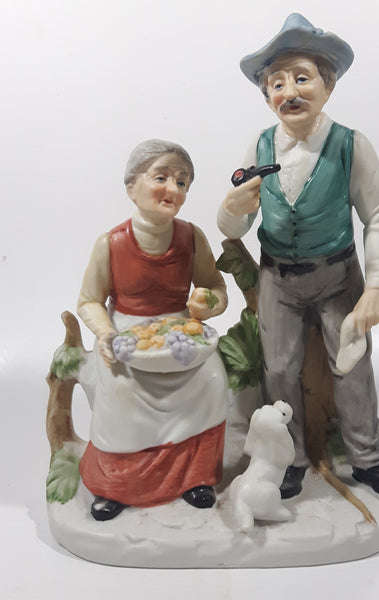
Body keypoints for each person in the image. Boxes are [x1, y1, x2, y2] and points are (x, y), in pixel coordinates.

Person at [217, 14, 379, 506]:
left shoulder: (351, 145)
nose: (289, 92)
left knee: (353, 366)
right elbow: (233, 226)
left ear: (328, 86)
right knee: (278, 368)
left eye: (302, 78)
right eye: (277, 83)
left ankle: (368, 459)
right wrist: (232, 208)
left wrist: (378, 285)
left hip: (336, 276)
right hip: (278, 278)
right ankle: (288, 459)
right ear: (267, 95)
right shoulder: (260, 145)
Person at [77, 139, 228, 520]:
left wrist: (208, 303)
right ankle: (117, 485)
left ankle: (195, 476)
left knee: (212, 379)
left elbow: (215, 287)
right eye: (161, 177)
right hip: (128, 335)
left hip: (180, 335)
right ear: (132, 187)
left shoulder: (192, 237)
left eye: (182, 181)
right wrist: (105, 333)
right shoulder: (111, 243)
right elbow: (89, 301)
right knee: (123, 389)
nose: (172, 189)